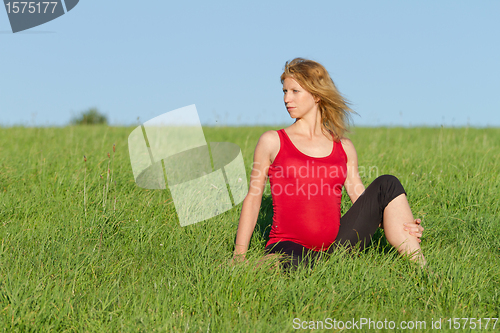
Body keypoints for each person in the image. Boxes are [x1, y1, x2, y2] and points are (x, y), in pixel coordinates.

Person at [233, 58, 425, 269]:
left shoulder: (343, 147)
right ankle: (282, 264)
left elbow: (361, 201)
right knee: (302, 264)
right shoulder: (272, 141)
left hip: (336, 247)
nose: (287, 98)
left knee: (388, 184)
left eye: (295, 91)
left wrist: (404, 226)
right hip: (287, 247)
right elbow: (253, 197)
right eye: (284, 91)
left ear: (316, 95)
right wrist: (239, 257)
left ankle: (423, 271)